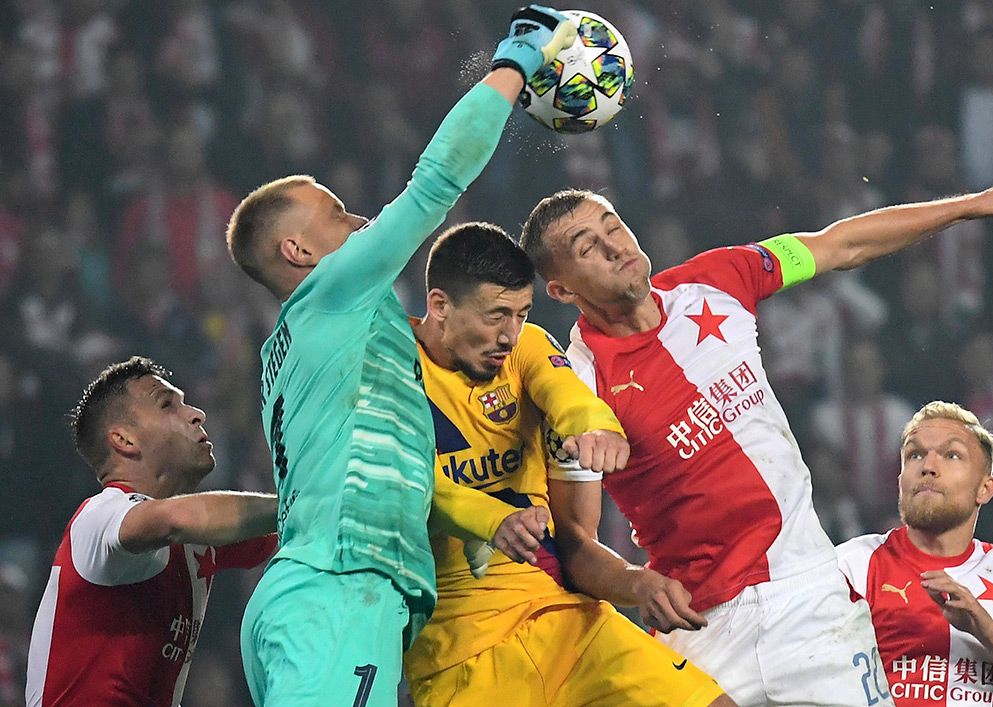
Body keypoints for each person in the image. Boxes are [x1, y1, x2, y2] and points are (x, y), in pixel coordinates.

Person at [519, 177, 993, 706]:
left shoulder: (718, 280)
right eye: (589, 248)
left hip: (810, 599)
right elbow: (573, 544)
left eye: (614, 227)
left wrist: (976, 204)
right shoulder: (576, 387)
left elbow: (842, 243)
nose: (616, 248)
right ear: (562, 290)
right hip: (702, 629)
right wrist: (637, 584)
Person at [225, 7, 579, 706]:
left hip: (329, 594)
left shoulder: (300, 351)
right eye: (336, 213)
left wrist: (482, 517)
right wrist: (516, 58)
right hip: (339, 592)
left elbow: (388, 472)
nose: (360, 221)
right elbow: (436, 182)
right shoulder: (333, 292)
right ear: (298, 252)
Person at [405, 222, 732, 706]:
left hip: (564, 619)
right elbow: (411, 488)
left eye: (521, 314)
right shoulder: (391, 374)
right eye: (497, 316)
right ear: (439, 306)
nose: (510, 336)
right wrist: (495, 520)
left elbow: (566, 396)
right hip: (460, 656)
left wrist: (596, 424)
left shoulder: (526, 349)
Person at [26, 356, 278, 707]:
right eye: (166, 404)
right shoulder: (98, 519)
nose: (196, 414)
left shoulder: (195, 540)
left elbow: (294, 530)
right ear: (124, 439)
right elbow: (177, 519)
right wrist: (295, 503)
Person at [836, 401, 993, 707]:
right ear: (900, 481)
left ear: (985, 489)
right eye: (915, 454)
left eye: (951, 455)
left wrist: (986, 630)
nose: (927, 466)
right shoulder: (853, 564)